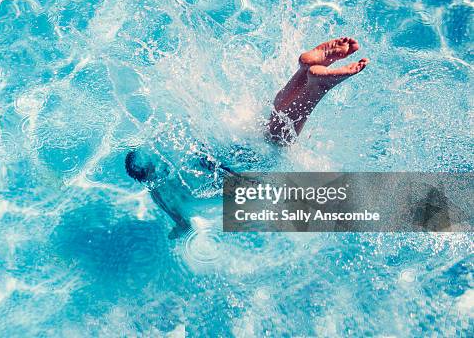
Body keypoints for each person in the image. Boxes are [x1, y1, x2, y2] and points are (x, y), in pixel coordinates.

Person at [126, 37, 369, 235]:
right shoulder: (170, 148)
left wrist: (180, 229)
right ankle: (303, 72)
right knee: (270, 121)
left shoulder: (159, 192)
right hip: (216, 140)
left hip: (229, 164)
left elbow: (183, 223)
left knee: (278, 143)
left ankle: (317, 87)